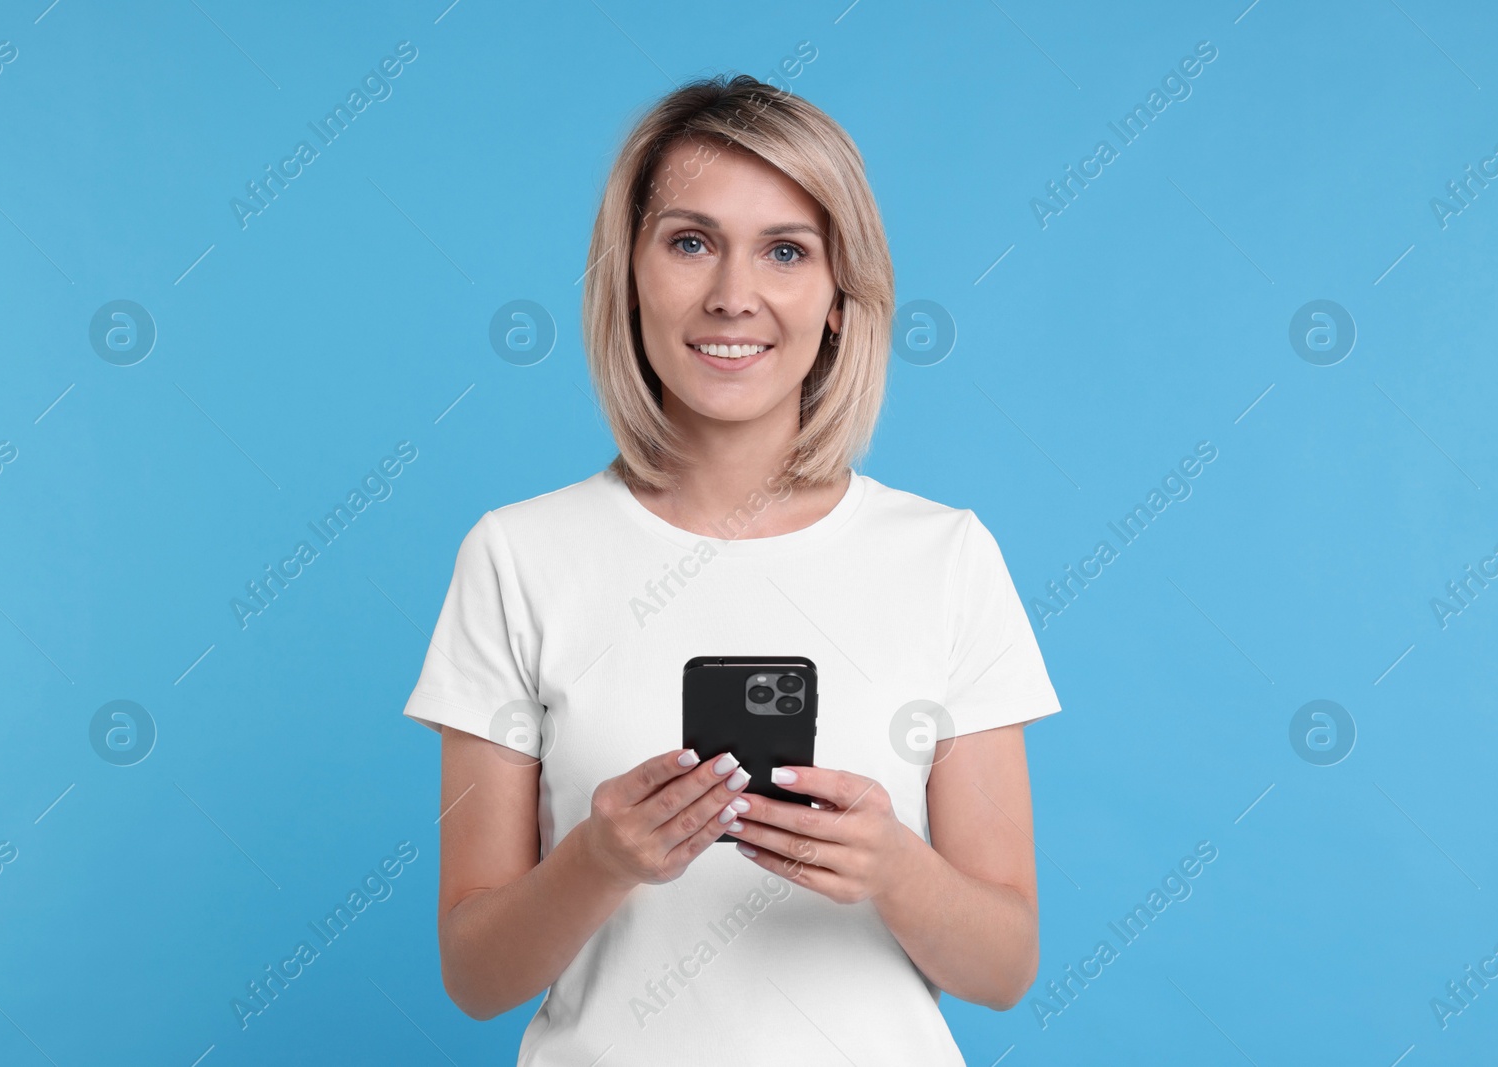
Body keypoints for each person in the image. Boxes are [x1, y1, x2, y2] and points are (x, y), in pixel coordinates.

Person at [400, 73, 1063, 1066]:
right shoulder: (518, 554)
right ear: (628, 274)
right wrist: (598, 856)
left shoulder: (946, 555)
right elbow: (475, 974)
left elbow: (1005, 965)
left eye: (785, 251)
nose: (732, 295)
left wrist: (892, 867)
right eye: (689, 241)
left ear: (841, 298)